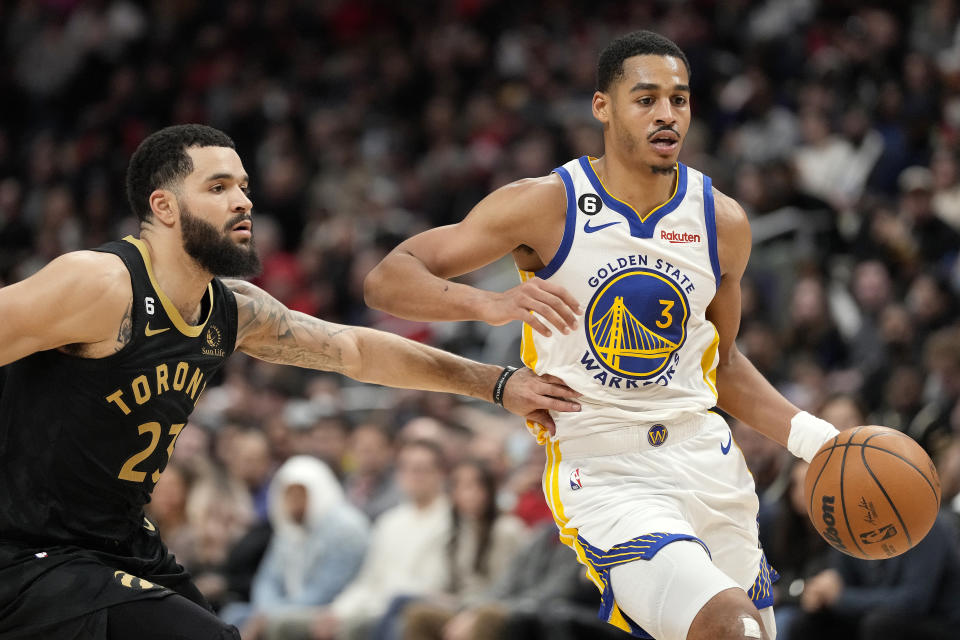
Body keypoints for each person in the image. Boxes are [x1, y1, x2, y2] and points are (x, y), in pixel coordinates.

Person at [0, 124, 580, 640]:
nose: (243, 201)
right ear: (165, 206)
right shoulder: (100, 284)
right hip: (30, 551)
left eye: (244, 186)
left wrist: (497, 384)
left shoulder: (230, 310)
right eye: (219, 187)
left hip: (119, 542)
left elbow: (353, 350)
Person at [365, 31, 843, 640]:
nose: (667, 114)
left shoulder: (722, 222)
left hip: (709, 462)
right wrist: (490, 304)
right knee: (733, 630)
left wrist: (817, 439)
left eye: (680, 99)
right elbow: (389, 279)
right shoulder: (546, 205)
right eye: (645, 99)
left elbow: (719, 364)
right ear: (603, 107)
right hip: (608, 466)